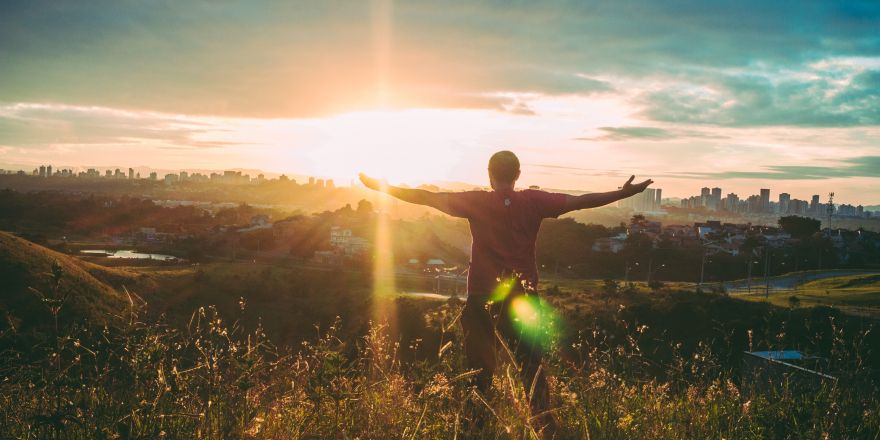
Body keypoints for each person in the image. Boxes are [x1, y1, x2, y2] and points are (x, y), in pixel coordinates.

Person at [359, 150, 652, 435]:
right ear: (518, 175)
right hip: (523, 296)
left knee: (479, 371)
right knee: (531, 367)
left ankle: (476, 429)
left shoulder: (476, 201)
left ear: (489, 175)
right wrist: (623, 194)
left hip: (482, 297)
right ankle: (545, 429)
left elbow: (425, 197)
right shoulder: (534, 201)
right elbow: (580, 202)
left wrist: (381, 187)